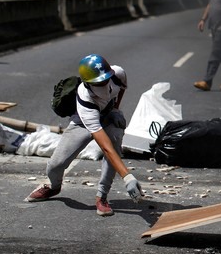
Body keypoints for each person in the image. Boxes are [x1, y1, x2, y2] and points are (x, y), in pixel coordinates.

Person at [25, 54, 144, 216]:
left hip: (108, 115)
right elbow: (104, 146)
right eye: (99, 82)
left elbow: (121, 88)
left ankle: (102, 196)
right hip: (83, 120)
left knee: (115, 139)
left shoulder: (117, 74)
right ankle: (53, 187)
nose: (104, 84)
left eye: (105, 79)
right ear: (88, 83)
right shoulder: (85, 96)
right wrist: (127, 177)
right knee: (56, 164)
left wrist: (115, 109)